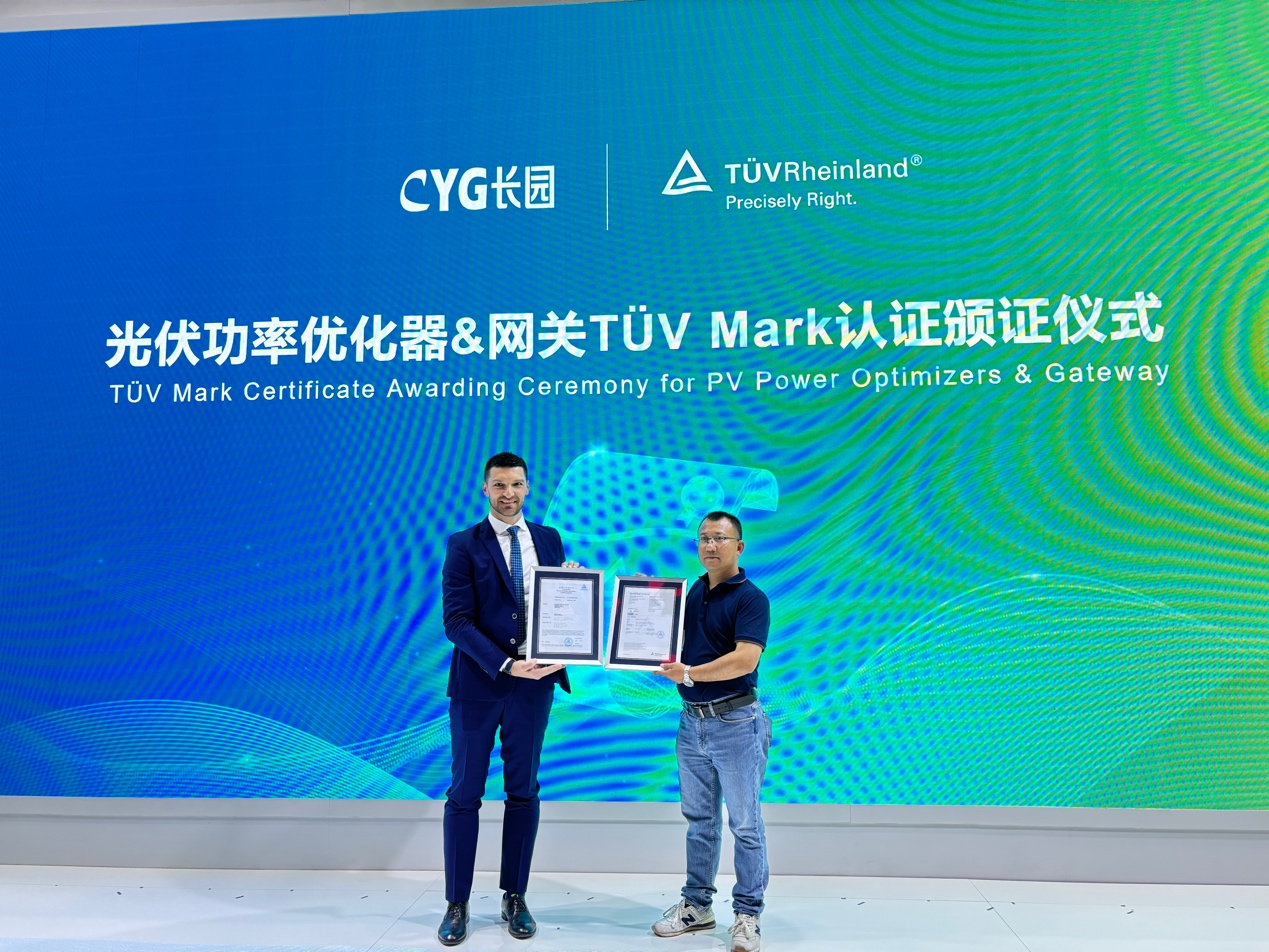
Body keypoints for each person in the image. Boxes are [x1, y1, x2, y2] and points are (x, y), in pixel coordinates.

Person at [436, 451, 574, 946]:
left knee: (523, 792)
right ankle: (457, 902)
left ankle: (515, 896)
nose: (508, 493)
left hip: (534, 688)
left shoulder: (549, 539)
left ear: (528, 487)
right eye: (499, 485)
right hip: (478, 687)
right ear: (485, 489)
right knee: (464, 794)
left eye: (516, 484)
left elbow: (557, 607)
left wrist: (572, 586)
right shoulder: (463, 544)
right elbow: (456, 622)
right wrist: (506, 663)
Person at [651, 510, 772, 952]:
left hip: (736, 723)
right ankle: (697, 906)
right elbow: (661, 635)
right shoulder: (692, 592)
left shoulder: (751, 599)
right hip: (692, 723)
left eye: (720, 538)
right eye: (704, 538)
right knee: (700, 821)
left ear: (738, 547)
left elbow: (745, 660)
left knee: (745, 824)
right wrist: (645, 600)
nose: (710, 545)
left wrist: (688, 674)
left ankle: (747, 914)